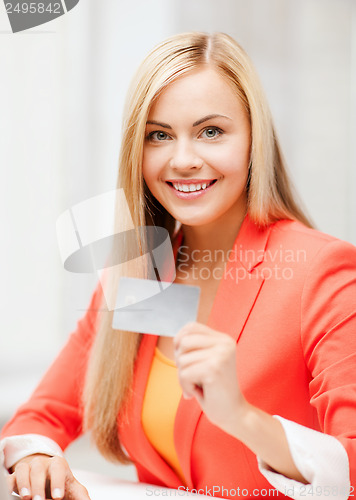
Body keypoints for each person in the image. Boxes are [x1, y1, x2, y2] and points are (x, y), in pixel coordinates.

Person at [1, 31, 356, 500]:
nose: (183, 159)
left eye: (211, 131)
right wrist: (39, 458)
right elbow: (42, 416)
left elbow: (350, 470)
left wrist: (242, 418)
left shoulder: (321, 272)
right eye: (159, 135)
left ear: (254, 140)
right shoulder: (139, 271)